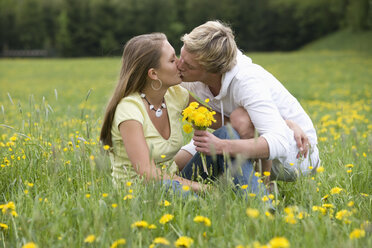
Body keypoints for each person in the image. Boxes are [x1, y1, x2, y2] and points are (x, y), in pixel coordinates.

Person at [99, 33, 265, 196]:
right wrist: (205, 188)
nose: (179, 63)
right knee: (182, 194)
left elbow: (221, 121)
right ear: (153, 74)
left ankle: (260, 203)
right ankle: (208, 204)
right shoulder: (129, 110)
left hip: (175, 182)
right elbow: (147, 172)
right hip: (140, 193)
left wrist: (250, 122)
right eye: (172, 60)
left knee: (227, 133)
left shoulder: (176, 95)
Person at [175, 21, 320, 182]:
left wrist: (222, 146)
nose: (179, 65)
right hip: (242, 135)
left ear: (212, 71)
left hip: (297, 156)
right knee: (176, 163)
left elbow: (279, 142)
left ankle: (263, 191)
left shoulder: (246, 80)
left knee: (241, 118)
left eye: (188, 65)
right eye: (181, 55)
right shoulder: (195, 69)